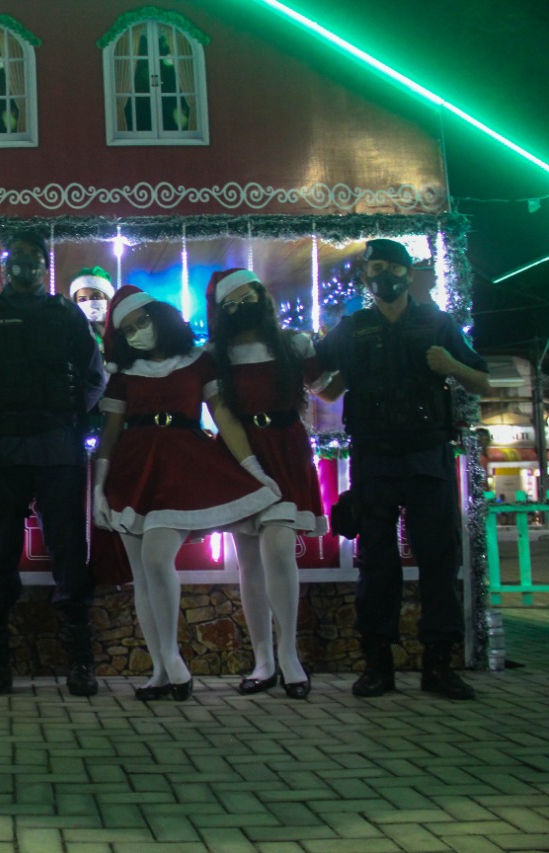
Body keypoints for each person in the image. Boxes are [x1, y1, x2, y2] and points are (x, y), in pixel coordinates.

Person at [314, 238, 491, 700]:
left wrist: (450, 363)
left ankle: (438, 667)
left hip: (426, 457)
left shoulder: (436, 322)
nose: (384, 275)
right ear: (366, 275)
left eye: (392, 267)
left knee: (437, 559)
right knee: (376, 563)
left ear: (408, 274)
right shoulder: (353, 327)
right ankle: (378, 667)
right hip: (373, 460)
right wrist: (327, 379)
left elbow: (482, 378)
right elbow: (319, 381)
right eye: (375, 267)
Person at [93, 285, 280, 701]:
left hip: (182, 466)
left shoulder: (199, 363)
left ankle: (175, 663)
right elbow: (108, 436)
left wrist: (253, 468)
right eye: (127, 329)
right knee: (141, 573)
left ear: (161, 316)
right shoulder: (123, 377)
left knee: (157, 558)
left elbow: (226, 419)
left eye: (142, 321)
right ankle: (160, 669)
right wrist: (99, 489)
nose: (138, 332)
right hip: (131, 470)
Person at [0, 232, 107, 697]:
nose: (24, 266)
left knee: (68, 553)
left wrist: (67, 419)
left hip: (58, 447)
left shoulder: (66, 314)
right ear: (6, 265)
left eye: (33, 260)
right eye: (16, 259)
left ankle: (80, 663)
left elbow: (95, 375)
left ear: (46, 265)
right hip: (3, 446)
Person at [207, 269, 333, 699]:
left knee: (279, 547)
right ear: (221, 311)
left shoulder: (293, 344)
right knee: (248, 559)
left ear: (264, 296)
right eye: (233, 303)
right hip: (239, 452)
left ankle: (288, 653)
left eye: (250, 297)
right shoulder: (214, 354)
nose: (244, 308)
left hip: (287, 446)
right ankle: (263, 659)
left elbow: (326, 390)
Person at [68, 266, 116, 350]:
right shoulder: (71, 335)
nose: (90, 303)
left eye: (96, 297)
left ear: (108, 300)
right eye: (82, 299)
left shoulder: (121, 330)